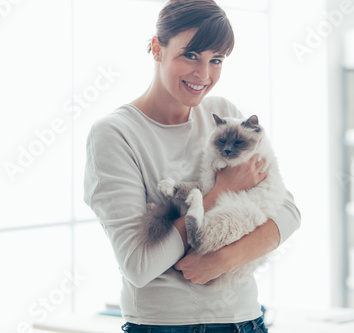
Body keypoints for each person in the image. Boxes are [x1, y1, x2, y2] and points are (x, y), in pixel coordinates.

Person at [83, 0, 301, 332]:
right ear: (157, 48)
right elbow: (139, 266)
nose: (204, 74)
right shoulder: (115, 135)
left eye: (216, 60)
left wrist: (222, 261)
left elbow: (287, 213)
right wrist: (222, 192)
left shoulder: (222, 115)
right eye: (191, 55)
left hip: (243, 320)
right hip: (162, 325)